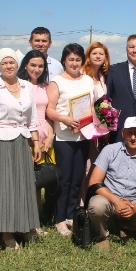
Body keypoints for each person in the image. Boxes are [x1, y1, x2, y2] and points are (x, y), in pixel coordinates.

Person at [0, 48, 42, 249]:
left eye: (11, 62)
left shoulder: (26, 85)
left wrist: (36, 141)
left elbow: (32, 117)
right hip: (1, 141)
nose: (8, 66)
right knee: (4, 187)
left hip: (22, 141)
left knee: (22, 185)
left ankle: (23, 226)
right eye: (4, 63)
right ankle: (6, 233)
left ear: (17, 64)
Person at [87, 117, 136, 250]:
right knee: (96, 206)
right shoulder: (109, 150)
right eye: (129, 132)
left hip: (133, 202)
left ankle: (124, 225)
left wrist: (134, 208)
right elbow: (94, 182)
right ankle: (102, 236)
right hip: (109, 199)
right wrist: (117, 201)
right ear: (122, 133)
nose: (133, 137)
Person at [46, 44, 94, 235]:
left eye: (78, 59)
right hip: (64, 137)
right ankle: (59, 218)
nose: (74, 63)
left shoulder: (88, 80)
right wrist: (65, 119)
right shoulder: (57, 82)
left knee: (77, 179)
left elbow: (92, 106)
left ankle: (70, 214)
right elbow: (49, 109)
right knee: (64, 179)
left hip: (83, 136)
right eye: (71, 59)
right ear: (64, 61)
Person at [17, 50, 56, 224]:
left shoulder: (45, 87)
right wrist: (33, 141)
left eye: (40, 66)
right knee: (26, 181)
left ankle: (36, 220)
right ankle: (24, 219)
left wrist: (50, 137)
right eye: (33, 65)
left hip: (45, 137)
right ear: (25, 65)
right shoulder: (19, 85)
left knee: (40, 181)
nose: (36, 69)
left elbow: (48, 114)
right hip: (26, 137)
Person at [79, 42, 111, 204]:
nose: (98, 56)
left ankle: (90, 201)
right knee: (85, 167)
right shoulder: (82, 74)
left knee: (95, 166)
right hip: (85, 128)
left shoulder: (104, 76)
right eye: (94, 53)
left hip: (100, 129)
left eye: (101, 54)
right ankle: (81, 203)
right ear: (88, 56)